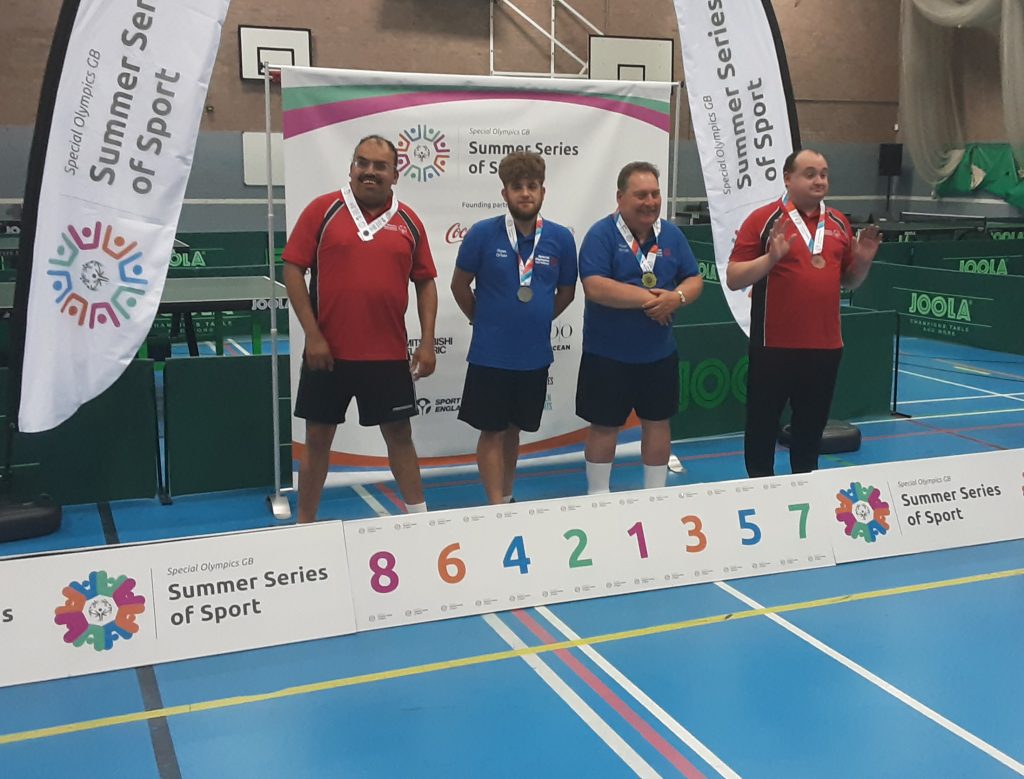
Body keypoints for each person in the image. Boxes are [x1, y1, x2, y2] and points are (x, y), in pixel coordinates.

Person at [282, 134, 438, 522]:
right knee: (317, 439)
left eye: (380, 166)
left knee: (400, 437)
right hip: (327, 354)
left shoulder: (409, 221)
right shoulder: (322, 210)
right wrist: (313, 335)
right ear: (351, 168)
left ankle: (419, 520)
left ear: (395, 175)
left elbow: (425, 282)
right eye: (362, 163)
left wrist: (428, 342)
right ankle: (305, 527)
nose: (370, 171)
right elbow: (292, 269)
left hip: (387, 356)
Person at [726, 148, 881, 477]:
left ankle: (806, 488)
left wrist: (863, 261)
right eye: (809, 174)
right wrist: (771, 258)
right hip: (774, 346)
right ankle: (762, 489)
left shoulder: (839, 222)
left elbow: (849, 281)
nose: (819, 180)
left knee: (810, 432)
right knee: (762, 427)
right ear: (788, 178)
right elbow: (734, 277)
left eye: (823, 174)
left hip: (825, 348)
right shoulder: (763, 220)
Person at [451, 152, 578, 504]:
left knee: (513, 431)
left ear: (543, 191)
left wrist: (537, 319)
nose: (525, 193)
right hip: (490, 356)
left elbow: (567, 293)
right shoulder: (482, 234)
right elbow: (459, 285)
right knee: (491, 432)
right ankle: (495, 506)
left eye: (532, 186)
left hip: (534, 356)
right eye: (517, 186)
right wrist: (482, 319)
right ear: (504, 192)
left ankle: (506, 498)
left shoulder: (560, 239)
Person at [576, 161, 703, 494]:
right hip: (607, 355)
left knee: (658, 423)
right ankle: (598, 498)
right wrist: (654, 301)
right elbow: (595, 286)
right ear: (620, 198)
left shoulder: (671, 234)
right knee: (604, 427)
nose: (650, 202)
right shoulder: (601, 235)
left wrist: (676, 298)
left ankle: (655, 495)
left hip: (658, 354)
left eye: (655, 194)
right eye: (641, 195)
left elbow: (694, 279)